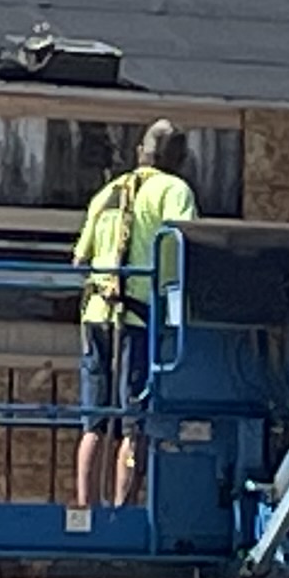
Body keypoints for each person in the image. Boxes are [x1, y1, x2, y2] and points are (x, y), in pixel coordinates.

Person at [70, 120, 196, 509]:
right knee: (133, 423)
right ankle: (123, 506)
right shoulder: (175, 191)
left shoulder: (107, 193)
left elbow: (79, 259)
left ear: (141, 153)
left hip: (96, 315)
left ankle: (85, 507)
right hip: (138, 320)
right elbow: (187, 247)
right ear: (179, 158)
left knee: (94, 420)